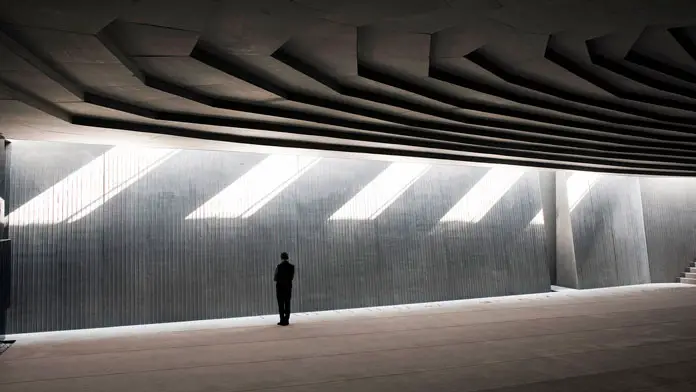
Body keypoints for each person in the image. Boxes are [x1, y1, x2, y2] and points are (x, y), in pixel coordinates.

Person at [274, 252, 295, 326]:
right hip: (288, 288)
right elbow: (291, 277)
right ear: (287, 257)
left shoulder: (278, 266)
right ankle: (287, 320)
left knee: (281, 304)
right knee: (287, 303)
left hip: (280, 288)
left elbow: (275, 278)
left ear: (281, 258)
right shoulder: (292, 267)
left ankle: (282, 320)